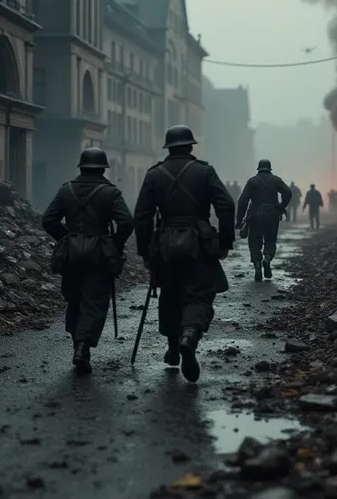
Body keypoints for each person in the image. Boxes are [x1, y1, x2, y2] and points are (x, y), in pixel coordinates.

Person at [134, 125, 235, 383]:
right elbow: (226, 205)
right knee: (199, 295)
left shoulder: (154, 175)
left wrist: (146, 252)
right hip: (199, 244)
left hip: (165, 246)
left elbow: (142, 216)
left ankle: (172, 347)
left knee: (169, 294)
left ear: (168, 147)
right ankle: (189, 335)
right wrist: (224, 242)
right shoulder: (204, 171)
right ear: (190, 146)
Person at [42, 147, 134, 374]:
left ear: (81, 167)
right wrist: (114, 244)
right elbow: (126, 223)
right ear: (103, 168)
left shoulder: (66, 190)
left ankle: (78, 344)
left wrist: (66, 238)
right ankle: (83, 346)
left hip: (71, 255)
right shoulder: (110, 193)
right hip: (99, 256)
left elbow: (48, 220)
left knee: (74, 299)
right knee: (94, 302)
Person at [236, 159, 292, 281]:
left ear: (259, 168)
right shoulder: (276, 180)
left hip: (255, 215)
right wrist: (282, 206)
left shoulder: (252, 181)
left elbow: (242, 201)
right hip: (272, 214)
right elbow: (287, 192)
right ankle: (267, 259)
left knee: (254, 241)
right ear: (269, 168)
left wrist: (239, 220)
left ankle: (257, 266)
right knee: (270, 239)